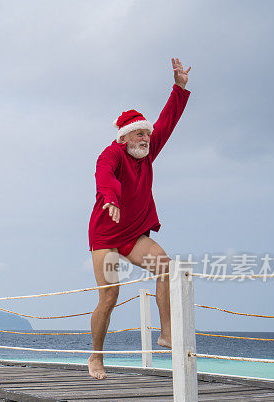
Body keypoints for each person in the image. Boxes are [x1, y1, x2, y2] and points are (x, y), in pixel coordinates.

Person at [87, 58, 191, 380]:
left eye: (147, 134)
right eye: (140, 134)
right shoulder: (112, 153)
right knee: (110, 295)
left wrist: (179, 88)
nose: (146, 138)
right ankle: (96, 355)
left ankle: (166, 333)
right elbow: (105, 177)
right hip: (105, 236)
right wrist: (111, 200)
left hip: (133, 234)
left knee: (165, 265)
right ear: (125, 138)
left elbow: (167, 122)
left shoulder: (147, 151)